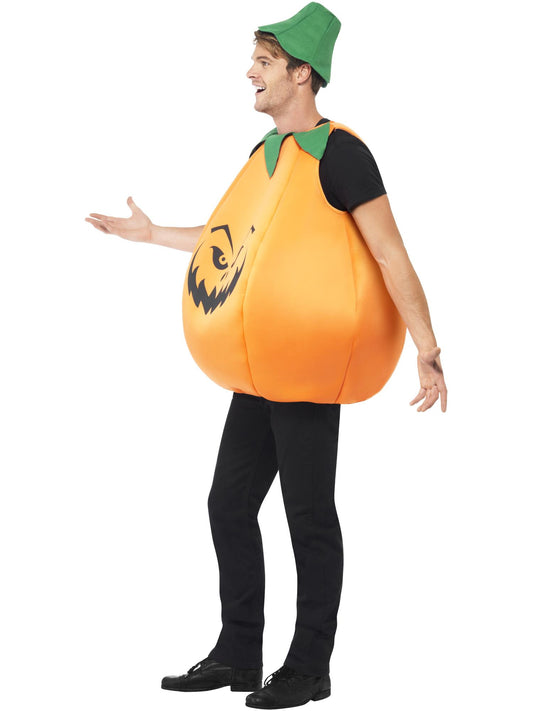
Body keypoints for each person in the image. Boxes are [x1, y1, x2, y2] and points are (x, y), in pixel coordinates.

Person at [85, 3, 447, 708]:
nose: (248, 72)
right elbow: (231, 238)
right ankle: (238, 652)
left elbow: (389, 251)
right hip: (261, 367)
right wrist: (152, 234)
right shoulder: (265, 155)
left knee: (307, 514)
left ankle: (309, 666)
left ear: (301, 73)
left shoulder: (341, 154)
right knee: (227, 503)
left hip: (308, 364)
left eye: (263, 61)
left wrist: (427, 347)